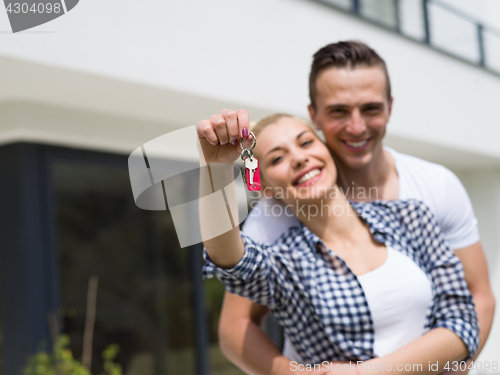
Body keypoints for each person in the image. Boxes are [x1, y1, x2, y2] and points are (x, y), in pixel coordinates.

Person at [217, 41, 495, 375]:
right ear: (314, 114)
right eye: (338, 111)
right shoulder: (277, 211)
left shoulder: (433, 189)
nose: (357, 126)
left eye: (371, 109)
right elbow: (235, 326)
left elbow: (477, 297)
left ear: (390, 107)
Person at [196, 112, 479, 374]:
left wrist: (363, 372)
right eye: (276, 159)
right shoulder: (287, 263)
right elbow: (231, 258)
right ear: (266, 187)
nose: (298, 158)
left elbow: (463, 326)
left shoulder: (411, 217)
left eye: (306, 142)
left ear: (326, 150)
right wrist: (215, 169)